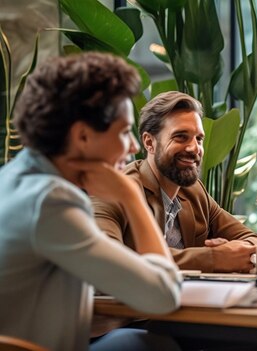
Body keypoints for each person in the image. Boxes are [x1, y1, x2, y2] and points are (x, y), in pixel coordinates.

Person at [0, 53, 181, 350]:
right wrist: (131, 197)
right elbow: (163, 295)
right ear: (82, 136)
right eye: (124, 132)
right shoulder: (51, 201)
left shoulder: (11, 178)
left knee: (139, 341)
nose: (134, 146)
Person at [92, 91, 257, 273]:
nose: (194, 148)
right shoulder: (115, 191)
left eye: (199, 139)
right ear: (149, 142)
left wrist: (238, 252)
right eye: (181, 137)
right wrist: (212, 259)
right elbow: (105, 261)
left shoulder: (194, 192)